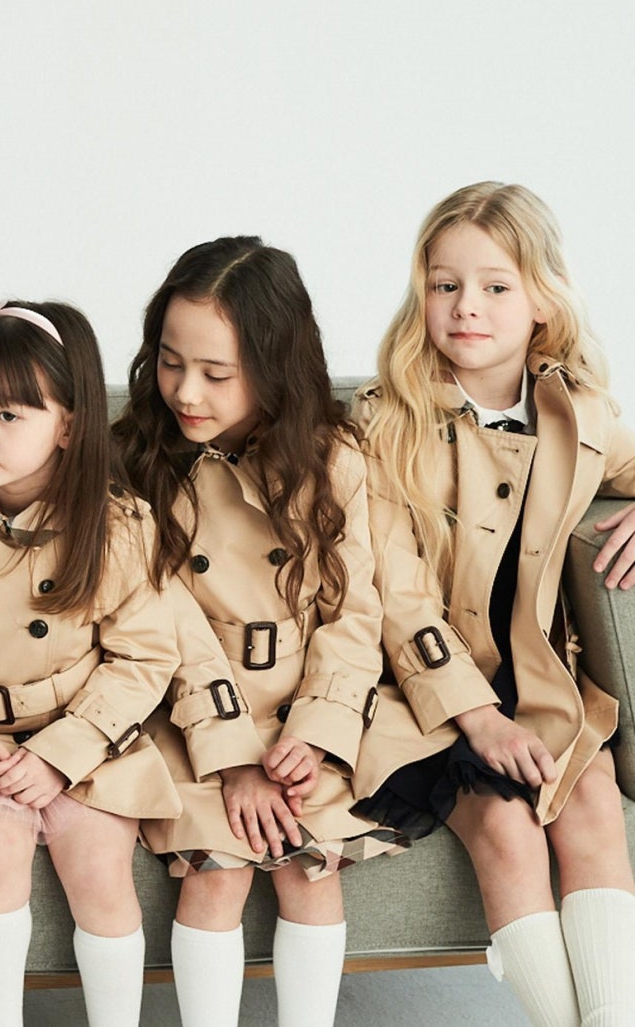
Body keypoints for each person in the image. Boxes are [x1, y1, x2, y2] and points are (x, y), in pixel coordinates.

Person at [0, 298, 231, 1027]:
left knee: (100, 870)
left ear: (68, 426)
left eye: (10, 415)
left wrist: (59, 754)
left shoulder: (115, 526)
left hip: (85, 735)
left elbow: (142, 658)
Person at [352, 182, 635, 1027]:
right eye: (444, 285)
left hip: (539, 685)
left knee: (590, 802)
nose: (464, 305)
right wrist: (478, 718)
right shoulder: (382, 422)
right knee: (508, 828)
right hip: (421, 692)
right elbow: (396, 596)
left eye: (494, 285)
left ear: (543, 299)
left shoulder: (577, 411)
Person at [112, 236, 406, 1027]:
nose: (185, 391)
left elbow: (353, 615)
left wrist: (315, 733)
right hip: (192, 715)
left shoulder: (335, 460)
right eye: (170, 362)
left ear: (276, 367)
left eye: (216, 373)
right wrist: (236, 757)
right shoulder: (136, 461)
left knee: (311, 869)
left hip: (301, 713)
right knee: (217, 871)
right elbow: (164, 624)